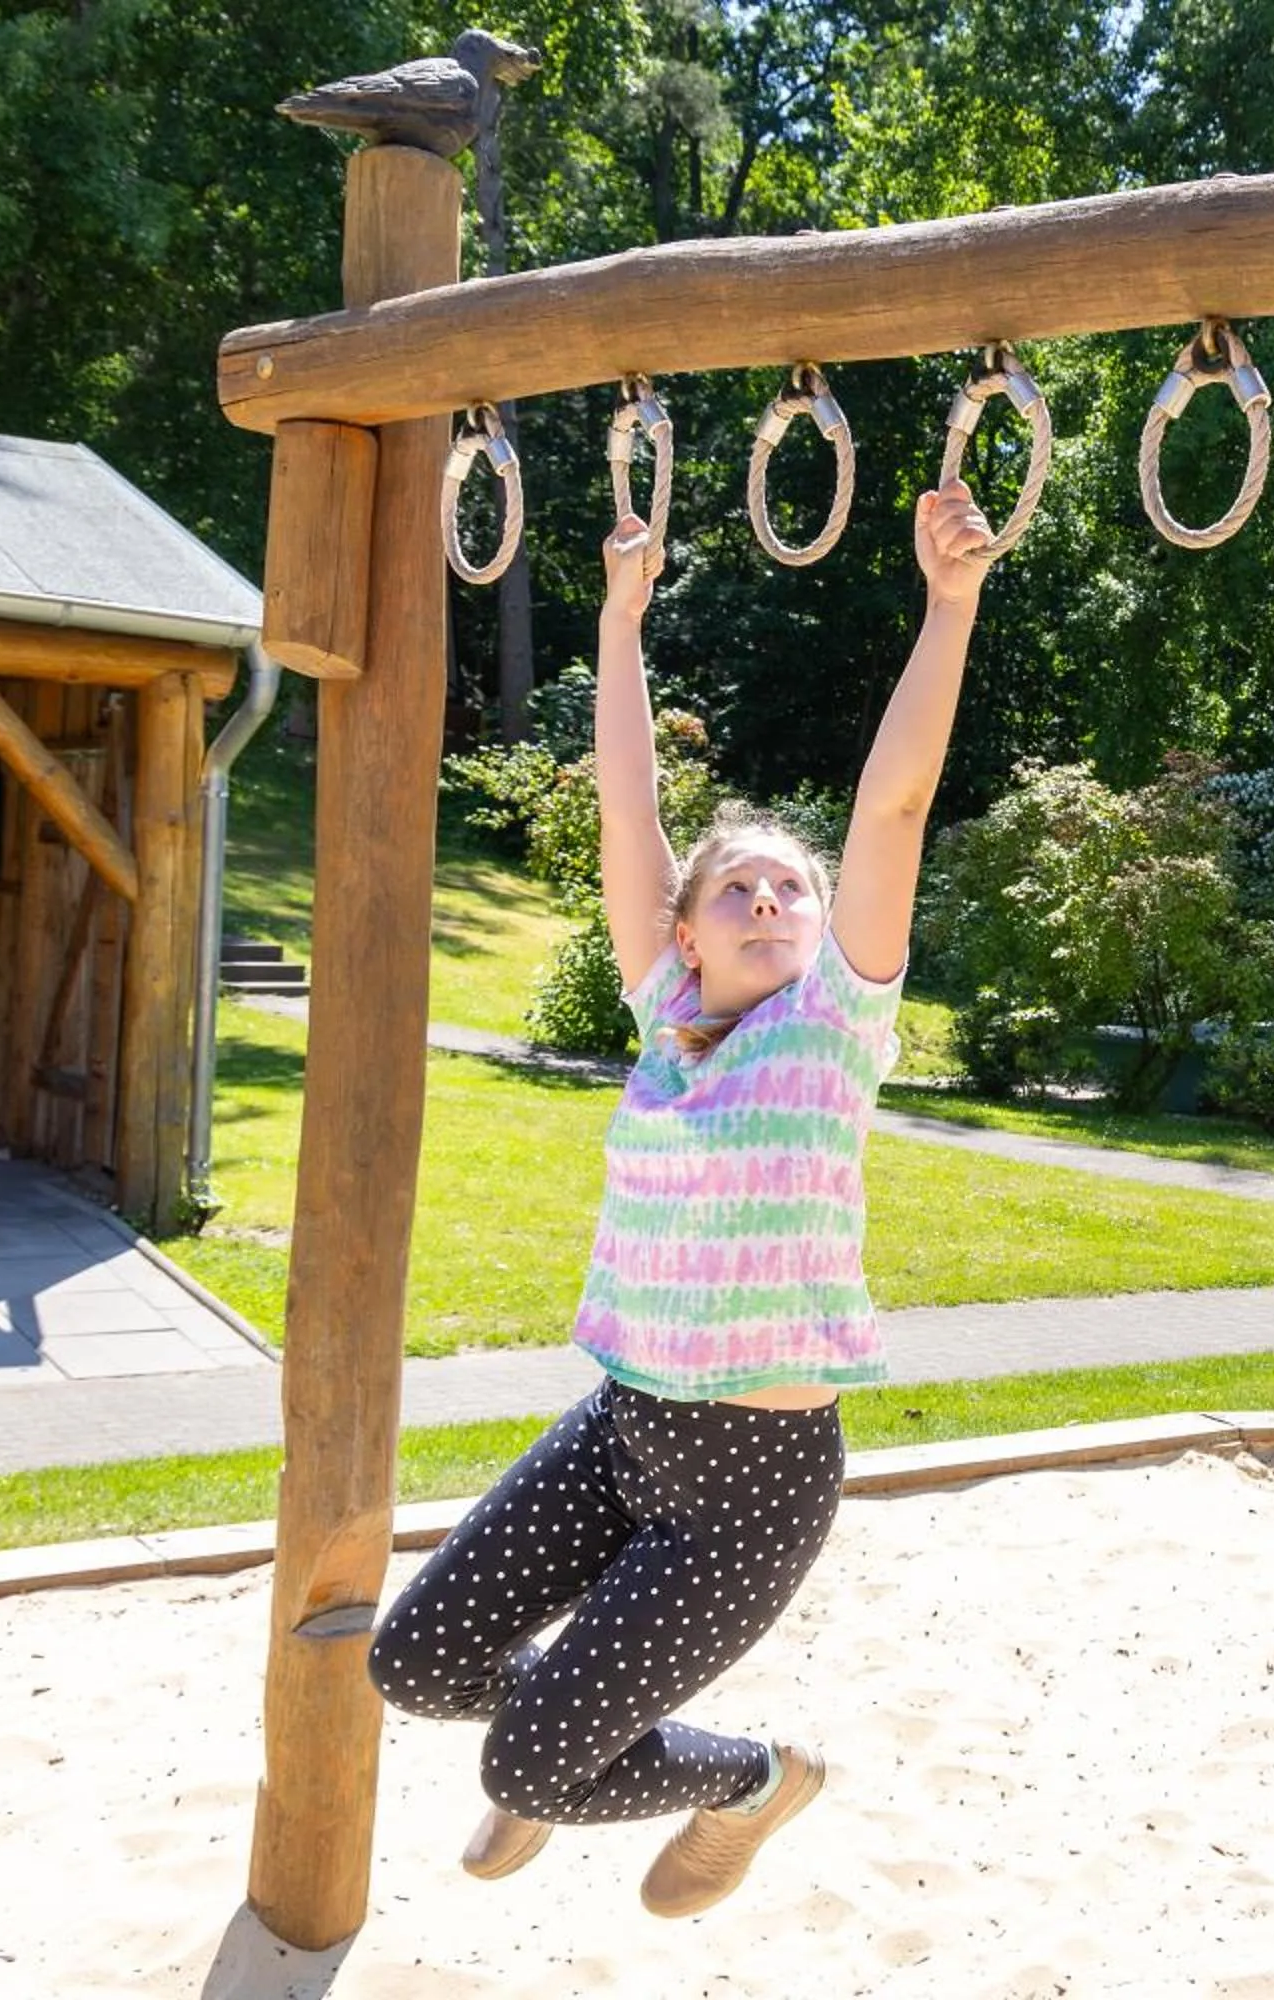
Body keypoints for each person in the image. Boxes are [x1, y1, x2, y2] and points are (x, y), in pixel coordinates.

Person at [366, 479, 1001, 1918]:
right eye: (742, 890)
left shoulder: (837, 1024)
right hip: (619, 1432)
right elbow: (630, 801)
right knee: (418, 1666)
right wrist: (619, 622)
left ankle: (742, 1781)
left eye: (793, 887)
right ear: (684, 929)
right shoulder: (664, 1015)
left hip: (753, 1489)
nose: (774, 901)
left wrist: (948, 602)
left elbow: (893, 797)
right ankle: (577, 1753)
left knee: (524, 1764)